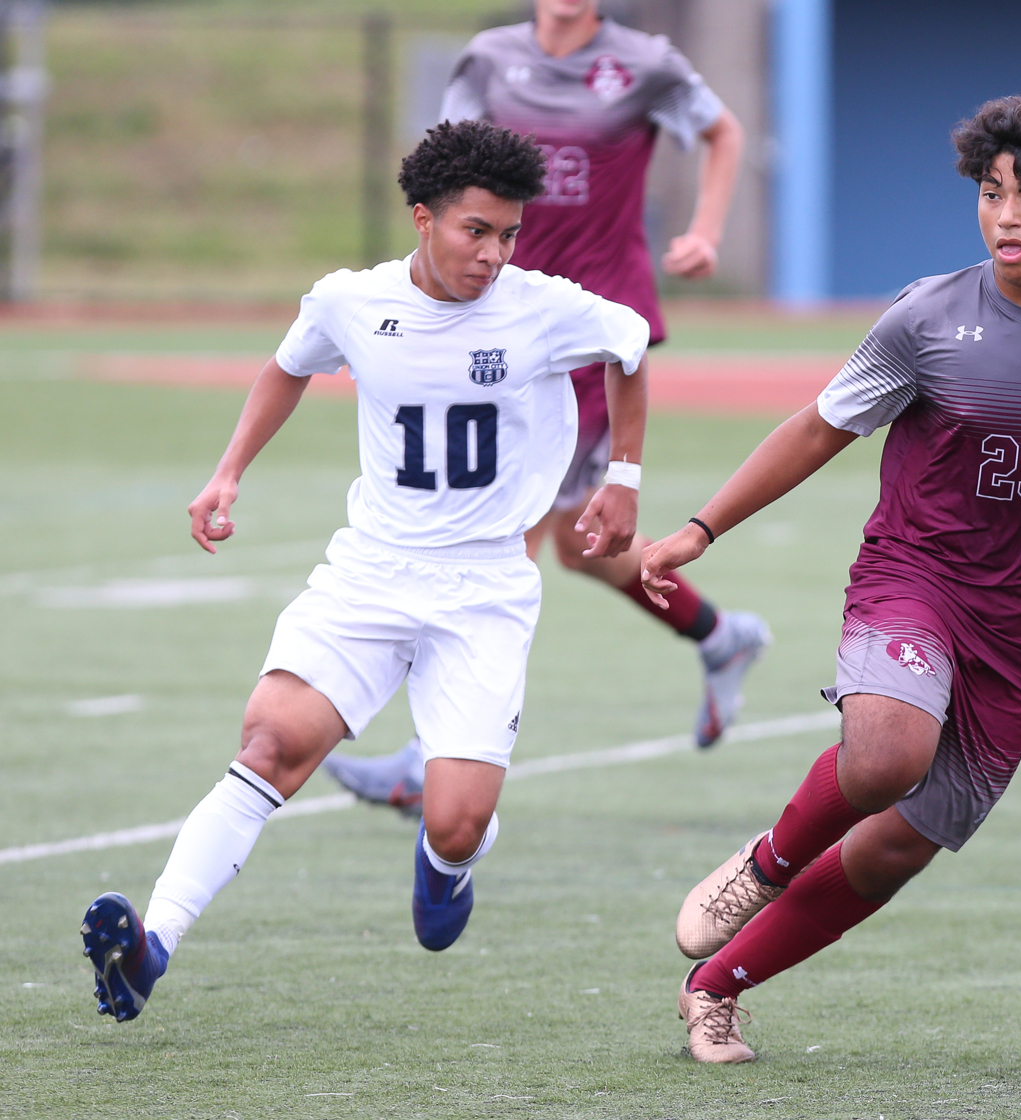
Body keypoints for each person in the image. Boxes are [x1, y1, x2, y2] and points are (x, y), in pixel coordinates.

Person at [640, 93, 1021, 1063]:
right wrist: (703, 525)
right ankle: (765, 862)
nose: (1002, 214)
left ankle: (715, 988)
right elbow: (816, 428)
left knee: (895, 844)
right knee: (881, 756)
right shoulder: (926, 316)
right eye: (989, 193)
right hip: (913, 576)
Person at [79, 120, 651, 1022]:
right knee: (269, 744)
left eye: (509, 234)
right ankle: (150, 950)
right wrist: (228, 471)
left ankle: (446, 861)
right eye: (476, 231)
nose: (495, 254)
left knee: (457, 822)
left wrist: (622, 479)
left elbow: (629, 346)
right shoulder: (351, 302)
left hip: (485, 589)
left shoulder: (543, 306)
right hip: (373, 572)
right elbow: (286, 367)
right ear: (422, 219)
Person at [320, 1, 765, 815]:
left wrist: (705, 229)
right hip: (496, 315)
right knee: (575, 546)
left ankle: (432, 758)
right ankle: (719, 636)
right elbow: (439, 176)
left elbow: (722, 130)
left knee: (498, 528)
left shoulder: (645, 62)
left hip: (587, 327)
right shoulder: (488, 59)